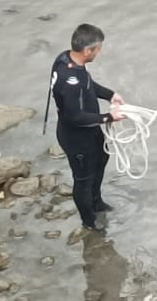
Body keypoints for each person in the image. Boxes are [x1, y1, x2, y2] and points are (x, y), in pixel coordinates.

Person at [49, 23, 126, 231]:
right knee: (83, 179)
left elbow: (89, 85)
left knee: (102, 158)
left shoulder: (67, 59)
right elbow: (75, 117)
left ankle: (97, 201)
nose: (99, 53)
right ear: (88, 50)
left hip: (91, 130)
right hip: (76, 138)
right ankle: (89, 222)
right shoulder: (69, 81)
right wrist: (108, 117)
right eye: (98, 49)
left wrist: (110, 94)